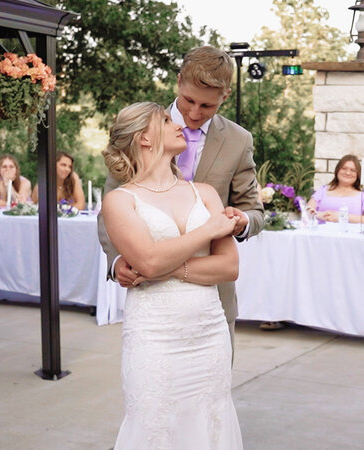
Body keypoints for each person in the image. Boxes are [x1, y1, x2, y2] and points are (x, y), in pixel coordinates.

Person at [98, 45, 264, 350]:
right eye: (189, 100)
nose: (193, 114)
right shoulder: (142, 127)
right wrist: (116, 260)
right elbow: (111, 206)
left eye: (207, 106)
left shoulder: (239, 141)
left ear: (224, 96)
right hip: (151, 297)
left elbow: (253, 210)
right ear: (179, 81)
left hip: (213, 297)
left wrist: (241, 222)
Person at [102, 102, 242, 448]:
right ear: (144, 138)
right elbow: (147, 262)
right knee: (153, 424)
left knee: (212, 422)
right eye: (165, 120)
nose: (176, 122)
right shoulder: (120, 201)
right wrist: (208, 230)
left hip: (209, 334)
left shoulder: (204, 193)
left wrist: (167, 267)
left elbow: (228, 267)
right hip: (154, 337)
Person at [307, 154, 364, 224]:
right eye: (344, 168)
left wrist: (342, 216)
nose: (347, 173)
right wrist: (320, 215)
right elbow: (307, 211)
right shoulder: (323, 190)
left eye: (353, 170)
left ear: (358, 174)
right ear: (337, 170)